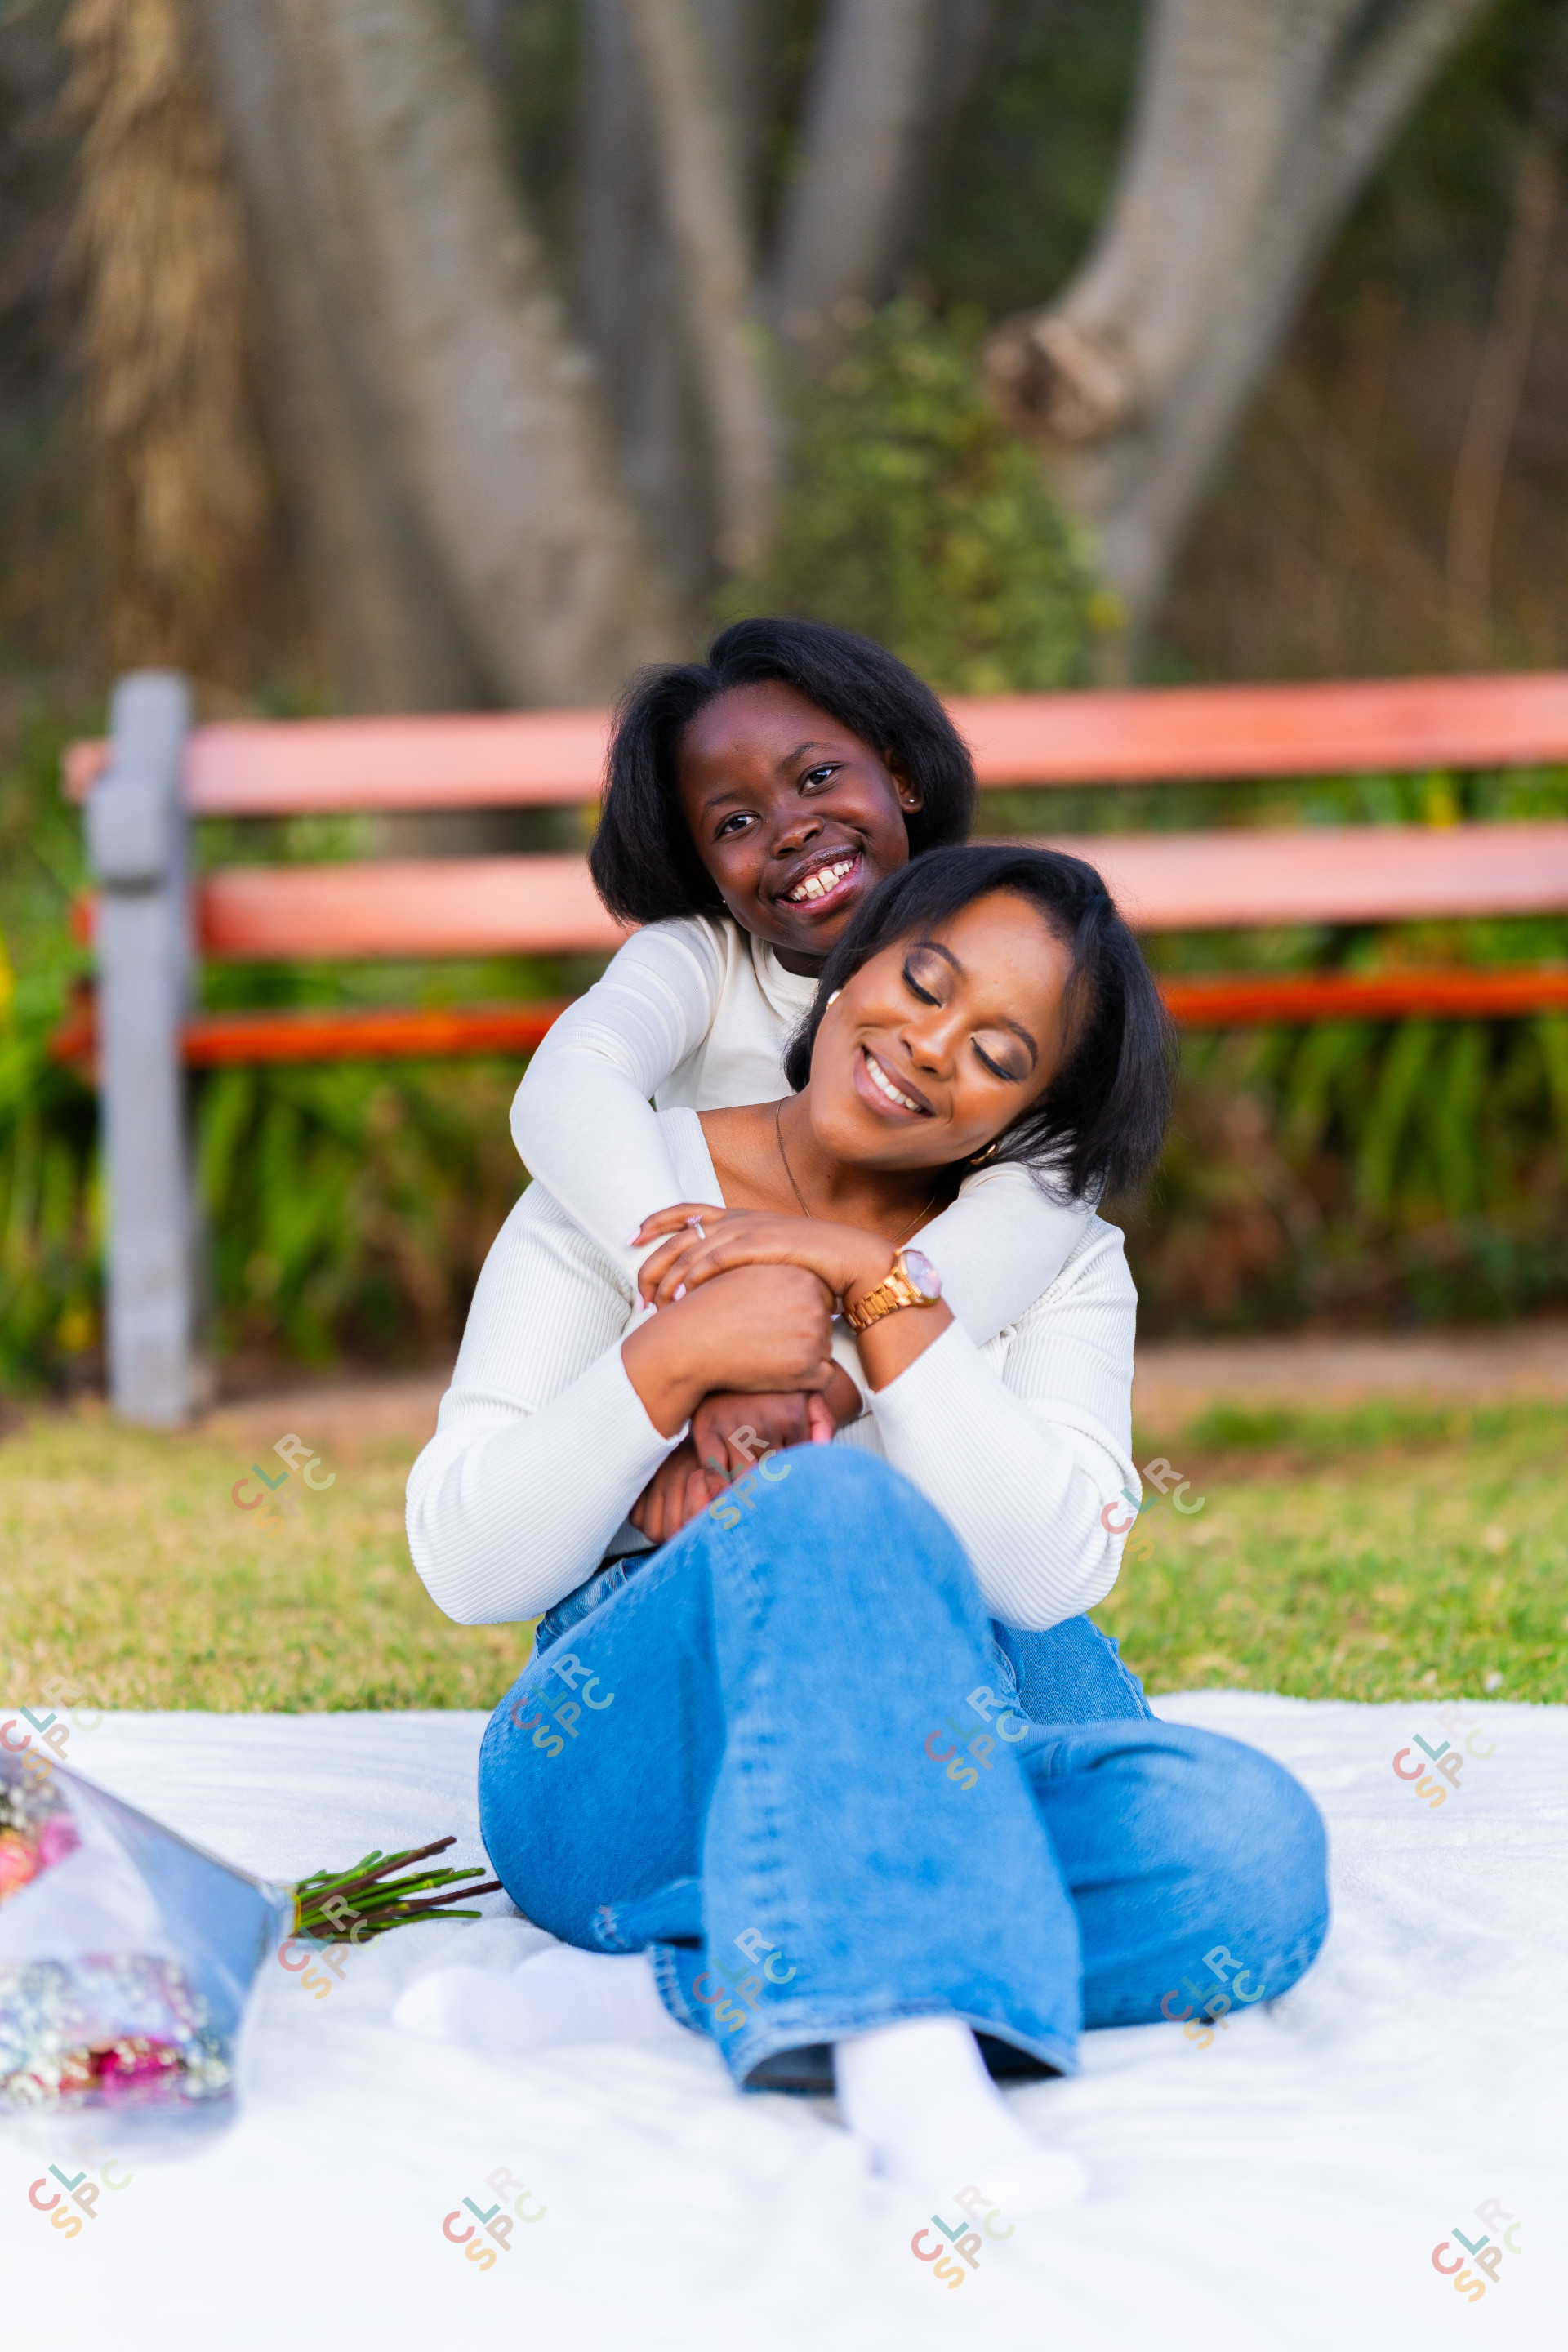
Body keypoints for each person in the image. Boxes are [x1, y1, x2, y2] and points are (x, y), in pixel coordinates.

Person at [399, 845, 1330, 2212]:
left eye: (999, 1051)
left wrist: (880, 1295)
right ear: (855, 957)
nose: (929, 1045)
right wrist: (667, 1365)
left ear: (1028, 1118)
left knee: (1252, 1850)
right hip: (628, 1780)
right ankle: (913, 2070)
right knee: (828, 1502)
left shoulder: (1061, 1262)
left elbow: (1047, 1571)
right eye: (924, 979)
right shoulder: (616, 1184)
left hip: (978, 1719)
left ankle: (685, 1997)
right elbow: (466, 1560)